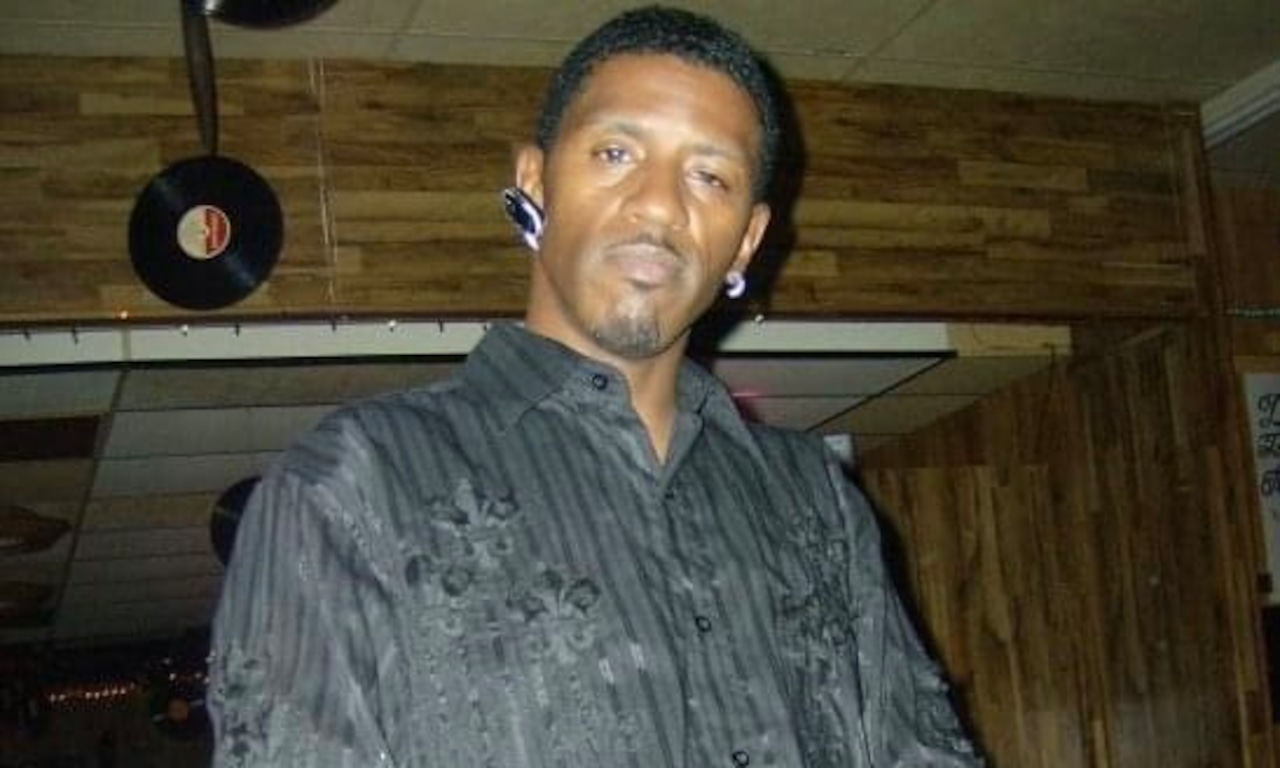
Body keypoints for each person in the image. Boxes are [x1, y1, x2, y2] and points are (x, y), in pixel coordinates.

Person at [208, 5, 981, 767]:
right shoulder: (352, 485)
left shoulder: (813, 496)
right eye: (615, 153)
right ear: (535, 183)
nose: (659, 203)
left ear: (747, 239)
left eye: (709, 176)